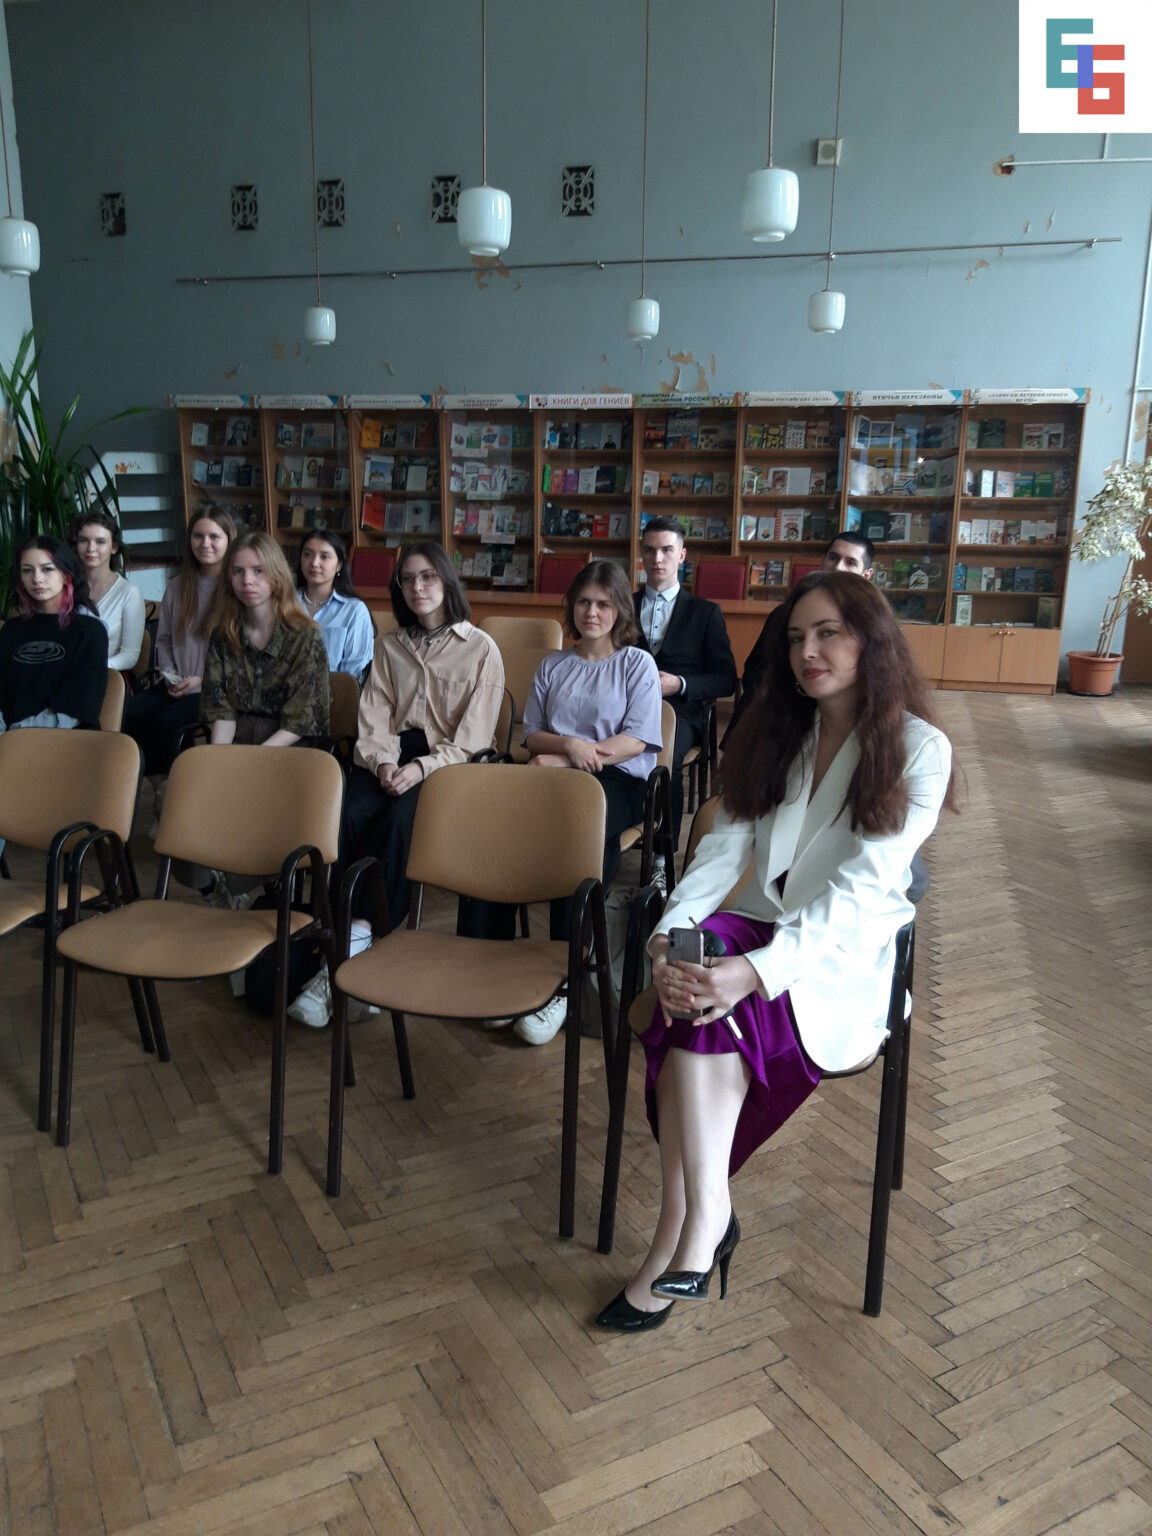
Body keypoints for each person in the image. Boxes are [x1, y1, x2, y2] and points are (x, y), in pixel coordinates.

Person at [595, 572, 956, 1331]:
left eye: (828, 633)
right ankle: (704, 1219)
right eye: (795, 638)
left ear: (872, 641)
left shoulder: (920, 749)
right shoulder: (778, 728)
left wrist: (755, 972)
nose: (806, 652)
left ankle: (684, 1232)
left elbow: (858, 893)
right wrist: (666, 938)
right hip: (765, 925)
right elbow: (721, 854)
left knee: (707, 1010)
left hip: (842, 956)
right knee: (693, 983)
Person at [288, 541, 504, 1028]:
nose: (417, 587)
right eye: (407, 579)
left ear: (447, 581)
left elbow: (473, 739)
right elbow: (375, 718)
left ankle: (358, 944)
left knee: (403, 822)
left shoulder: (480, 648)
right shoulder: (390, 646)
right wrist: (384, 763)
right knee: (343, 814)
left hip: (450, 767)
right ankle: (336, 934)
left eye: (427, 576)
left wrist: (420, 769)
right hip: (392, 755)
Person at [496, 559, 663, 1045]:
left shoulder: (636, 663)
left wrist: (572, 758)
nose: (592, 612)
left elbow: (636, 740)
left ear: (620, 610)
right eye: (584, 602)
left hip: (619, 780)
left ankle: (566, 977)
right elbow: (532, 735)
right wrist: (567, 747)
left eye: (604, 604)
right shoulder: (553, 664)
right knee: (497, 825)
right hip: (555, 776)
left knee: (582, 831)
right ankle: (494, 960)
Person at [122, 507, 236, 808]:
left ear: (229, 540)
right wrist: (169, 674)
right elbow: (163, 640)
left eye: (214, 536)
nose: (205, 543)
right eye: (198, 536)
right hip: (175, 683)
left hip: (214, 689)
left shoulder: (238, 587)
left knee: (168, 722)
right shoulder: (177, 585)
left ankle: (182, 794)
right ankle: (161, 789)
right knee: (131, 712)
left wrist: (199, 681)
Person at [633, 517, 736, 844]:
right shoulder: (623, 607)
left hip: (681, 711)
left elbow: (726, 680)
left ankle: (662, 853)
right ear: (642, 554)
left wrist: (680, 683)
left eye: (666, 550)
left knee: (663, 758)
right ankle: (617, 831)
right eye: (650, 550)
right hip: (627, 707)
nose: (657, 558)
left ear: (681, 556)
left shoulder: (705, 613)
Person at [730, 531, 876, 735]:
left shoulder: (872, 623)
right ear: (822, 560)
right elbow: (756, 670)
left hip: (843, 715)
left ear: (866, 575)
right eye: (833, 557)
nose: (838, 567)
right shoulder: (786, 613)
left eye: (850, 562)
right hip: (782, 707)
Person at [199, 530, 330, 746]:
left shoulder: (305, 637)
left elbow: (302, 719)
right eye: (238, 571)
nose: (247, 581)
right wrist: (220, 756)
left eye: (258, 571)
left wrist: (257, 758)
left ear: (276, 576)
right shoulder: (223, 635)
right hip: (239, 739)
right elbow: (221, 711)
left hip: (288, 745)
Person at [0, 536, 108, 732]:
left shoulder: (90, 631)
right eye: (27, 570)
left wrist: (17, 734)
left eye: (47, 569)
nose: (37, 579)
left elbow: (78, 706)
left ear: (66, 575)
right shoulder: (10, 630)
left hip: (64, 740)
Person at [69, 507, 145, 671]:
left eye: (100, 542)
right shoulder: (65, 586)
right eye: (83, 540)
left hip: (107, 675)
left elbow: (130, 656)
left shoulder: (129, 592)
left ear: (114, 547)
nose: (91, 548)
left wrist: (91, 668)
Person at [294, 528, 374, 679]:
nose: (314, 563)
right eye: (308, 554)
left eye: (324, 556)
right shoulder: (283, 603)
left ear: (339, 566)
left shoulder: (354, 610)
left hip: (335, 692)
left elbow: (354, 675)